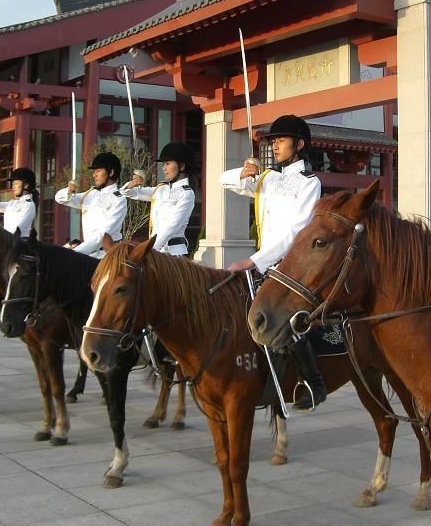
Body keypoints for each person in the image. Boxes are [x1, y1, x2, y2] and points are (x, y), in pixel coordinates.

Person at [220, 114, 324, 411]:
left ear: (299, 144)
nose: (275, 146)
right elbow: (222, 181)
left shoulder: (309, 183)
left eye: (281, 140)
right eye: (273, 141)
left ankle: (314, 383)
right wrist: (245, 172)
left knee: (292, 322)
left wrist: (254, 261)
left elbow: (295, 232)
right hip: (265, 263)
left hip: (290, 265)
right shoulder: (269, 179)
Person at [121, 142, 195, 256]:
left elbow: (171, 226)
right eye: (163, 164)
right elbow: (128, 193)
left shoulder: (186, 194)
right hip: (154, 250)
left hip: (173, 254)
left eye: (168, 164)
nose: (164, 168)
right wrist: (133, 183)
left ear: (182, 166)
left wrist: (150, 250)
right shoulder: (161, 189)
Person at [55, 152, 127, 259]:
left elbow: (103, 235)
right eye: (94, 171)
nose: (94, 175)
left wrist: (76, 253)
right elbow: (59, 199)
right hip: (88, 253)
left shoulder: (119, 199)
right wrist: (69, 191)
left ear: (111, 172)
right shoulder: (91, 194)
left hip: (107, 256)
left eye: (98, 171)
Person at [0, 167, 38, 238]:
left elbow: (18, 230)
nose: (13, 187)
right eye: (12, 184)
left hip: (21, 242)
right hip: (8, 241)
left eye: (16, 184)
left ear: (26, 185)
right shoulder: (12, 203)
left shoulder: (29, 205)